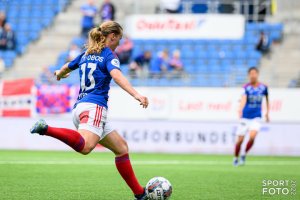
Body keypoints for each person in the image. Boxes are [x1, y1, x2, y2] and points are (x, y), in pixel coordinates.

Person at [30, 21, 149, 200]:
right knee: (86, 147)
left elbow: (64, 68)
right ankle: (46, 129)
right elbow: (117, 76)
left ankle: (140, 194)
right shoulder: (109, 55)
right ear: (113, 36)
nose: (119, 43)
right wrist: (136, 95)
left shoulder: (86, 53)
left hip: (80, 109)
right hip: (95, 108)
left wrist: (59, 75)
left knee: (121, 148)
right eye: (119, 39)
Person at [233, 67, 270, 166]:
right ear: (249, 75)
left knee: (252, 136)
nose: (253, 75)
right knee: (240, 140)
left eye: (254, 73)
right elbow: (243, 99)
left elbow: (267, 99)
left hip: (256, 116)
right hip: (245, 116)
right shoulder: (246, 87)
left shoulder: (264, 87)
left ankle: (244, 154)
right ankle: (236, 158)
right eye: (251, 73)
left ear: (257, 74)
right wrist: (240, 109)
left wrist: (267, 113)